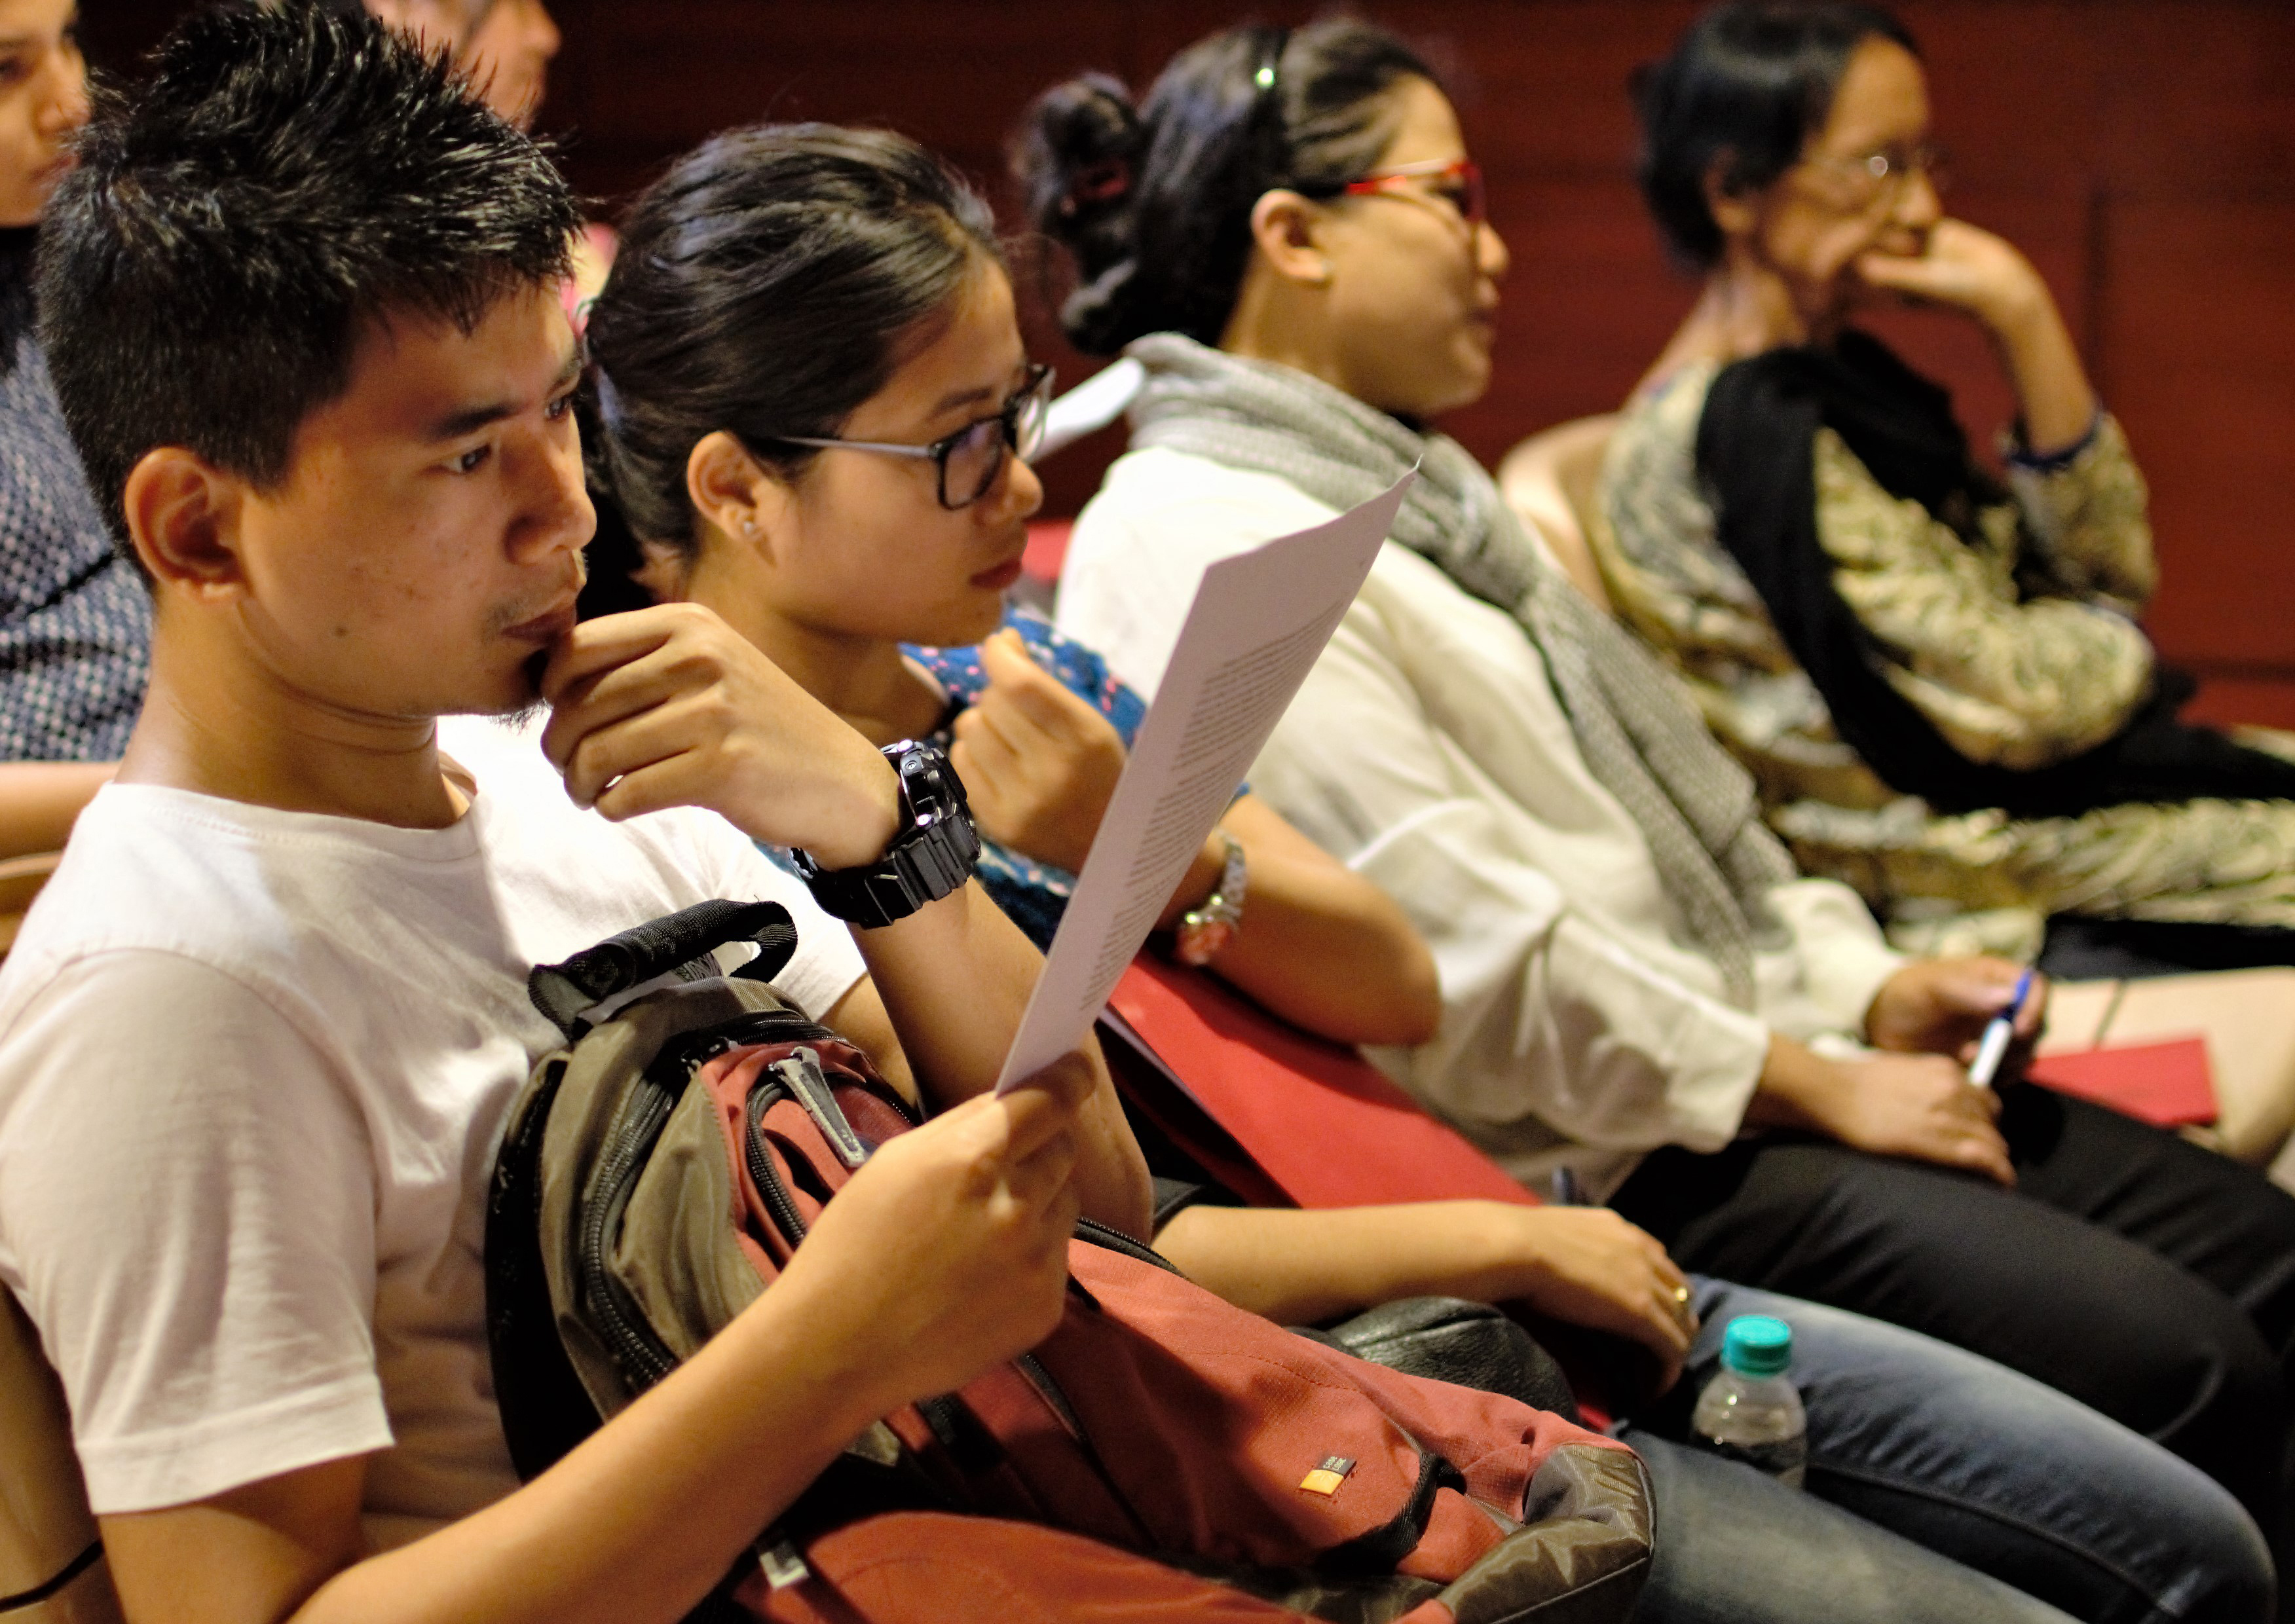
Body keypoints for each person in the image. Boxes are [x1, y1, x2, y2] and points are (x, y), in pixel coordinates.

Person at [579, 117, 2275, 1624]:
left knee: (2189, 1531)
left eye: (1019, 409)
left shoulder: (1017, 666)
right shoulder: (713, 827)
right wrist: (1503, 1241)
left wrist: (1135, 841)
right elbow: (1105, 1227)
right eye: (960, 442)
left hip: (1470, 1216)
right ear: (739, 489)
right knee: (2176, 1513)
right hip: (1339, 1365)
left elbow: (1392, 974)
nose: (1023, 481)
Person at [1024, 14, 2295, 1585]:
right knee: (2205, 1366)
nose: (1497, 250)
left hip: (1738, 1044)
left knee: (2255, 1261)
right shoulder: (1203, 527)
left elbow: (1660, 836)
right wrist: (1809, 1074)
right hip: (1629, 1141)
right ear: (1296, 236)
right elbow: (1473, 960)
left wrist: (1858, 992)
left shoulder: (1402, 484)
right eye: (1455, 200)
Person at [0, 10, 1212, 1624]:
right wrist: (826, 1355)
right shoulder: (167, 994)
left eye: (562, 410)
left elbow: (1102, 1205)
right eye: (466, 459)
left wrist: (874, 816)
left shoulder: (567, 767)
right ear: (200, 532)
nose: (567, 510)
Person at [1595, 3, 2295, 999]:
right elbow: (2017, 700)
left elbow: (2106, 576)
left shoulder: (1834, 387)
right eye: (1879, 167)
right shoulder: (1734, 433)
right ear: (1735, 190)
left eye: (1926, 161)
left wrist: (2024, 319)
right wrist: (2114, 642)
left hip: (2017, 820)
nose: (1922, 210)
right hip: (1952, 882)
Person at [0, 0, 130, 851]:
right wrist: (182, 789)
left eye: (69, 40)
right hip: (65, 863)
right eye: (6, 69)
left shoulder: (67, 258)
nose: (71, 103)